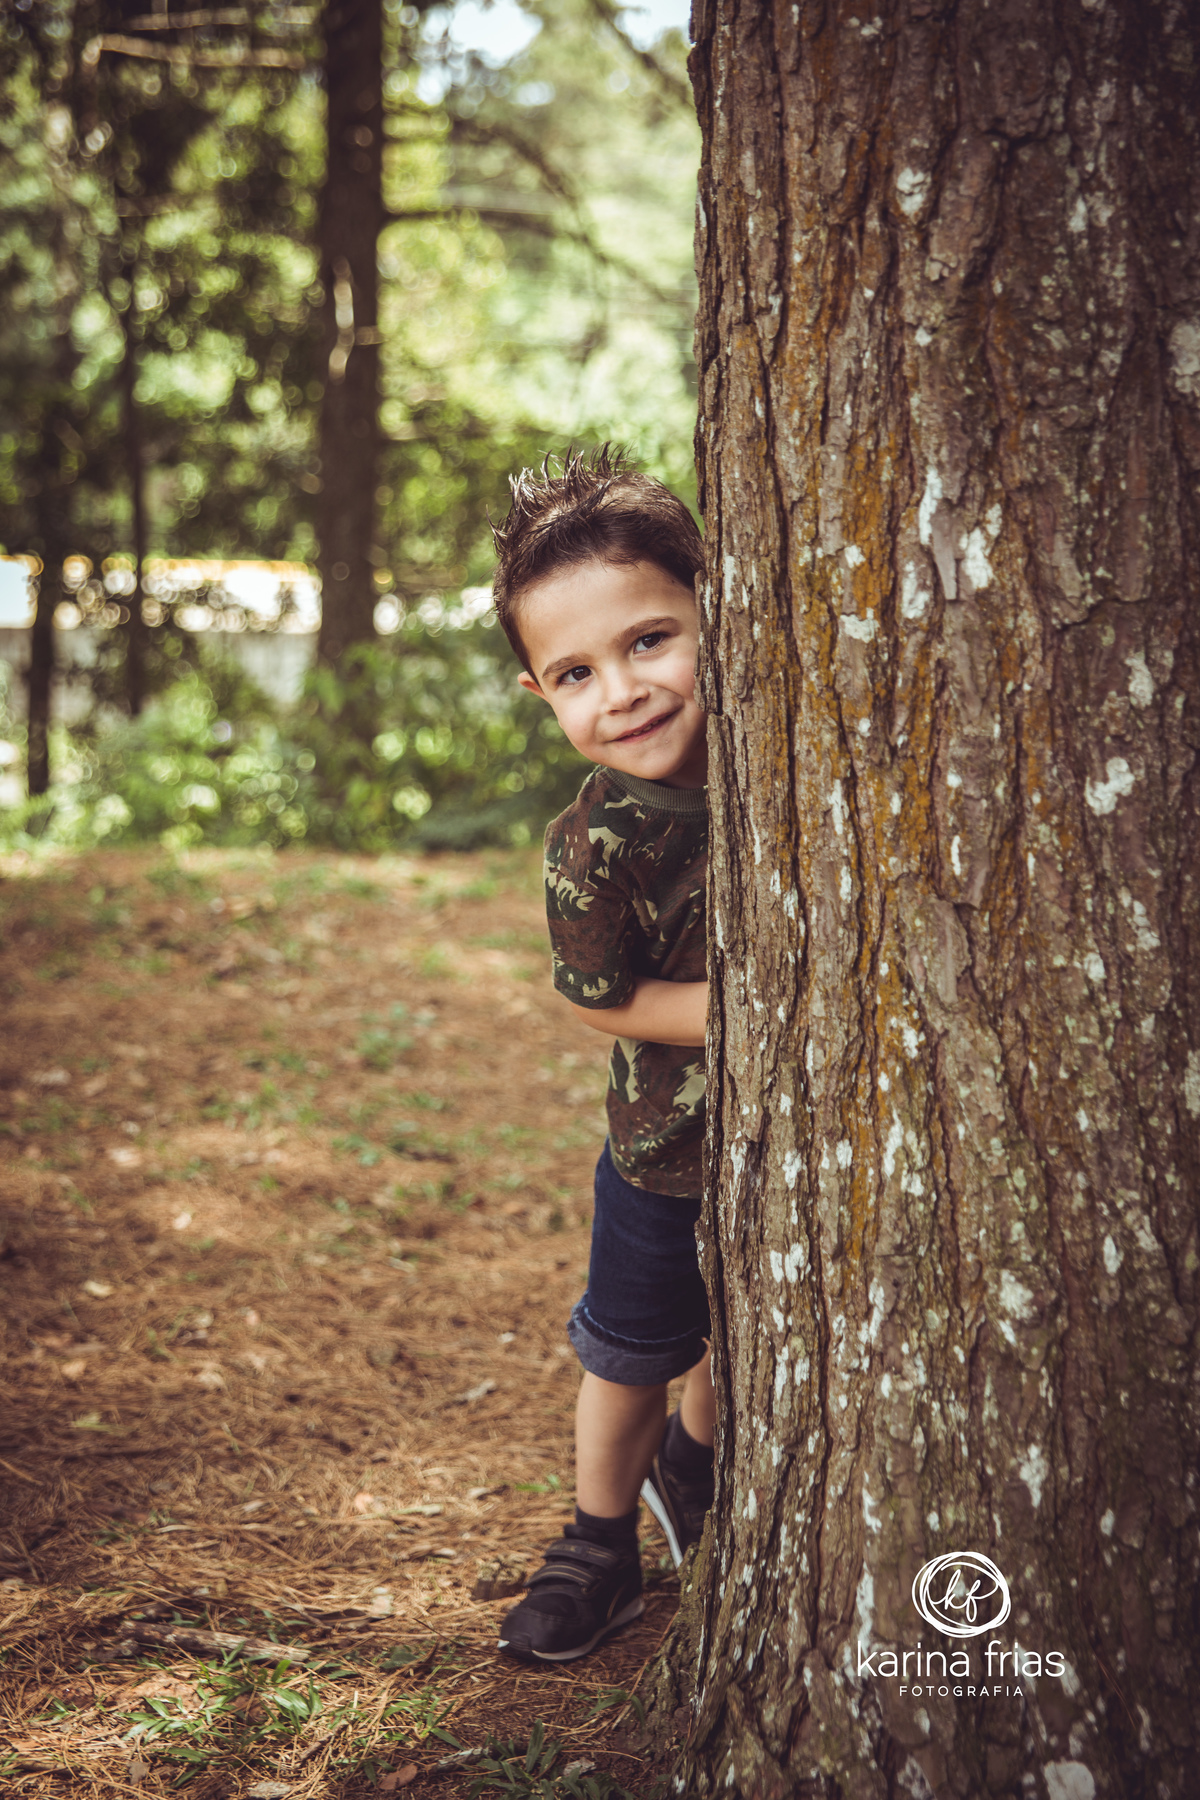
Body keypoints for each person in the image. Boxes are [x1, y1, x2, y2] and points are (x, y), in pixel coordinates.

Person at [488, 446, 715, 1664]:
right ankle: (598, 1541)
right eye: (575, 672)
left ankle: (700, 1460)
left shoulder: (795, 761)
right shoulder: (594, 844)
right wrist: (747, 1016)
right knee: (634, 1348)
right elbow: (598, 999)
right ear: (541, 694)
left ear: (714, 607)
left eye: (648, 641)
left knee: (752, 1328)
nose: (619, 690)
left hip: (810, 1143)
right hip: (663, 1149)